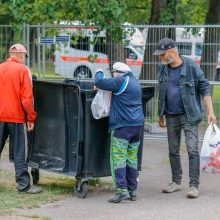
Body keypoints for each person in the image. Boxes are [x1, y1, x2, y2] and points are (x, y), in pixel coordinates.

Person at [154, 38, 216, 198]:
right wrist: (160, 113)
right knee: (173, 150)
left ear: (172, 52)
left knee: (192, 150)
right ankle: (176, 182)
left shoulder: (191, 66)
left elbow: (204, 87)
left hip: (189, 116)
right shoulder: (162, 69)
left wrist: (210, 111)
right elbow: (161, 92)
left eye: (162, 54)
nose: (160, 58)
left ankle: (194, 186)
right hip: (170, 115)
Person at [94, 62, 144, 203]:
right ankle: (133, 190)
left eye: (113, 73)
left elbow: (100, 82)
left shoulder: (121, 81)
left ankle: (121, 190)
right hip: (137, 126)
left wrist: (99, 71)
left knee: (119, 157)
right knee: (132, 158)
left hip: (123, 126)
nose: (113, 76)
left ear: (117, 72)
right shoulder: (135, 81)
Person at [0, 43, 42, 194]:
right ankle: (23, 186)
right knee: (20, 152)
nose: (24, 59)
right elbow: (26, 99)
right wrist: (31, 118)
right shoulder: (22, 70)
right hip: (16, 118)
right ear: (21, 55)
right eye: (25, 57)